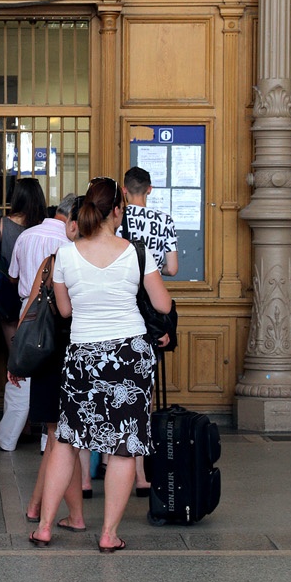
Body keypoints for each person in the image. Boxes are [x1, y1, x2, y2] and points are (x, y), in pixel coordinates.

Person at [30, 176, 172, 553]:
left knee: (66, 439)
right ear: (118, 211)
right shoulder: (136, 252)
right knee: (124, 446)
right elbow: (162, 305)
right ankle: (108, 534)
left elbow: (64, 310)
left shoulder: (66, 255)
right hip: (129, 355)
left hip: (84, 356)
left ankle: (45, 526)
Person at [14, 195, 91, 528]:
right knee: (65, 440)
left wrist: (16, 359)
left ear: (73, 225)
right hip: (84, 355)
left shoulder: (54, 260)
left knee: (59, 438)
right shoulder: (107, 260)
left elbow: (30, 310)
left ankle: (43, 507)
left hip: (48, 354)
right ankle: (63, 513)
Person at [0, 190, 76, 452]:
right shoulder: (69, 241)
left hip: (28, 311)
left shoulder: (25, 236)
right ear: (73, 218)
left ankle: (7, 439)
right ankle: (48, 441)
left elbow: (13, 277)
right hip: (60, 315)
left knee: (21, 373)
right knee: (54, 377)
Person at [117, 166, 179, 495]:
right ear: (149, 190)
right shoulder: (163, 220)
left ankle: (110, 463)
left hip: (121, 305)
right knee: (145, 394)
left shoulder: (117, 223)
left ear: (124, 191)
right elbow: (172, 267)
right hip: (151, 311)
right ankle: (141, 473)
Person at [0, 177, 47, 350]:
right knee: (36, 351)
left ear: (16, 197)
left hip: (7, 294)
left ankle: (16, 376)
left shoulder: (1, 224)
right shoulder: (43, 226)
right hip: (39, 296)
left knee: (15, 352)